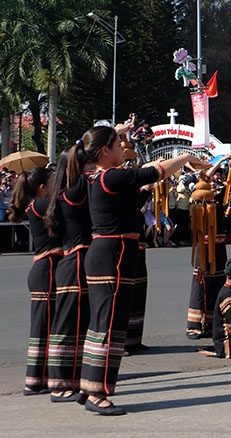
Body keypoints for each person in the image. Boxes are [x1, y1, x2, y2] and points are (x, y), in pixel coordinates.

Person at [80, 125, 209, 415]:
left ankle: (89, 386)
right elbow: (156, 171)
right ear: (104, 151)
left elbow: (138, 190)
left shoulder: (98, 177)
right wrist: (185, 156)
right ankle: (97, 392)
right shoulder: (109, 176)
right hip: (112, 253)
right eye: (117, 144)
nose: (122, 149)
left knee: (102, 322)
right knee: (110, 324)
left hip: (108, 252)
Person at [45, 147, 94, 403]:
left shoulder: (64, 190)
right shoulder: (74, 191)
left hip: (73, 261)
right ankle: (60, 385)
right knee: (68, 325)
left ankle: (71, 381)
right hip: (75, 262)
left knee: (77, 324)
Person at [10, 166, 59, 397]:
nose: (56, 184)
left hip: (46, 270)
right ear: (43, 188)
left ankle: (43, 377)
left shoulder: (38, 204)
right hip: (45, 271)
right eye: (52, 181)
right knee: (42, 328)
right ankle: (34, 381)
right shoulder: (40, 205)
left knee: (48, 327)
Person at [186, 153, 231, 340]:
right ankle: (196, 324)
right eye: (212, 182)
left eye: (216, 182)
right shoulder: (198, 199)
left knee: (217, 282)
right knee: (202, 284)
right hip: (204, 248)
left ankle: (212, 322)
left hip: (219, 249)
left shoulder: (217, 202)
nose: (214, 183)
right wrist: (222, 160)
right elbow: (205, 177)